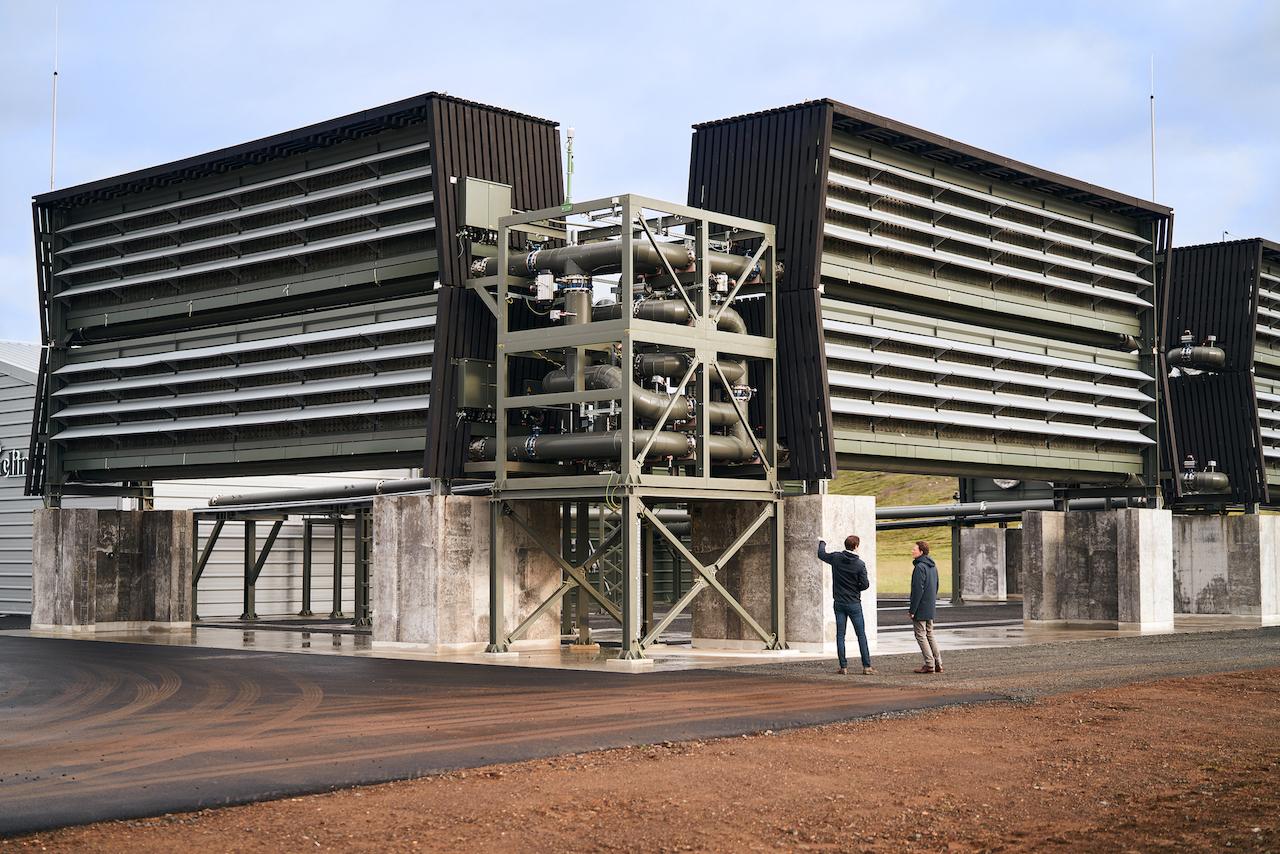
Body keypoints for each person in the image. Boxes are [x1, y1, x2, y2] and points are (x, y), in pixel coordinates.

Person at [817, 534, 875, 675]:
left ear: (846, 545)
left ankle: (843, 667)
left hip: (839, 603)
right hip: (854, 603)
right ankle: (866, 666)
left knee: (840, 635)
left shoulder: (836, 558)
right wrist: (856, 588)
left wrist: (822, 542)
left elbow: (821, 554)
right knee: (861, 635)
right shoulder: (860, 564)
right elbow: (865, 585)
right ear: (856, 546)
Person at [908, 540, 942, 674]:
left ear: (921, 552)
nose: (912, 551)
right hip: (930, 605)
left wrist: (912, 610)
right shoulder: (933, 566)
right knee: (930, 634)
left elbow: (917, 590)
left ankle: (929, 664)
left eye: (914, 549)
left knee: (920, 635)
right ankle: (938, 663)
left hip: (921, 606)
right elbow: (936, 585)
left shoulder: (919, 567)